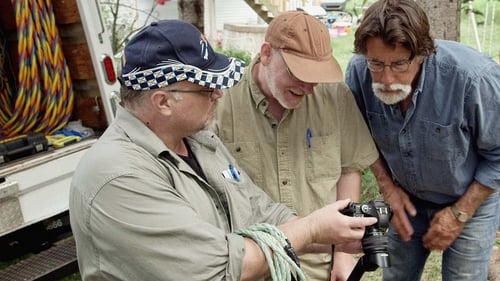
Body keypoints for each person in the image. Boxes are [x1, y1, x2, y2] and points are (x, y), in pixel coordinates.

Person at [68, 19, 378, 281]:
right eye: (206, 88)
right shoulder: (118, 176)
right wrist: (311, 230)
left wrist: (338, 235)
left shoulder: (200, 142)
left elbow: (259, 210)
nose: (219, 93)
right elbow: (218, 267)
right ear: (162, 102)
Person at [215, 11, 379, 281]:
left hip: (319, 266)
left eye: (316, 76)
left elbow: (349, 170)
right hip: (253, 265)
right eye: (298, 73)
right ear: (266, 54)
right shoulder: (222, 104)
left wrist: (342, 254)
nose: (308, 87)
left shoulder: (334, 97)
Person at [344, 0, 500, 280]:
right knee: (396, 276)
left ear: (422, 54)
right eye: (376, 63)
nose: (387, 79)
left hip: (469, 200)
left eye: (399, 63)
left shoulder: (473, 79)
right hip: (405, 198)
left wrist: (459, 213)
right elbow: (358, 136)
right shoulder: (358, 71)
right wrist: (387, 187)